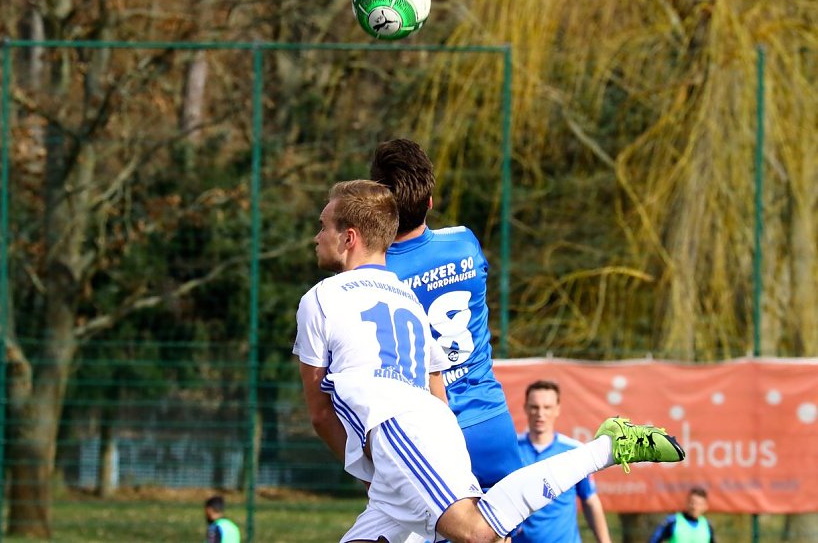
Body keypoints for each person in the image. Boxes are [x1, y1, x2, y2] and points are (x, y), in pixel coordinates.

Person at [293, 179, 685, 543]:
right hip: (432, 425)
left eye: (323, 225)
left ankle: (607, 448)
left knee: (477, 530)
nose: (316, 236)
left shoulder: (321, 300)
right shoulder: (408, 298)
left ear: (348, 237)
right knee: (486, 532)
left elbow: (320, 415)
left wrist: (373, 471)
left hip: (395, 431)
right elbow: (435, 385)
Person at [369, 138, 523, 491]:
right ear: (431, 202)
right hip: (491, 421)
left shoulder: (375, 274)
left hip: (427, 437)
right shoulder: (465, 242)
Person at [513, 380, 611, 543]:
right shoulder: (512, 451)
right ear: (525, 408)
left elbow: (590, 501)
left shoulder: (575, 451)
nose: (540, 413)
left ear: (557, 409)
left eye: (547, 407)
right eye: (535, 407)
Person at [649, 487, 715, 543]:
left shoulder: (707, 525)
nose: (695, 507)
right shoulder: (672, 521)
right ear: (687, 503)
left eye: (699, 504)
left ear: (705, 507)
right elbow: (654, 540)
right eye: (692, 503)